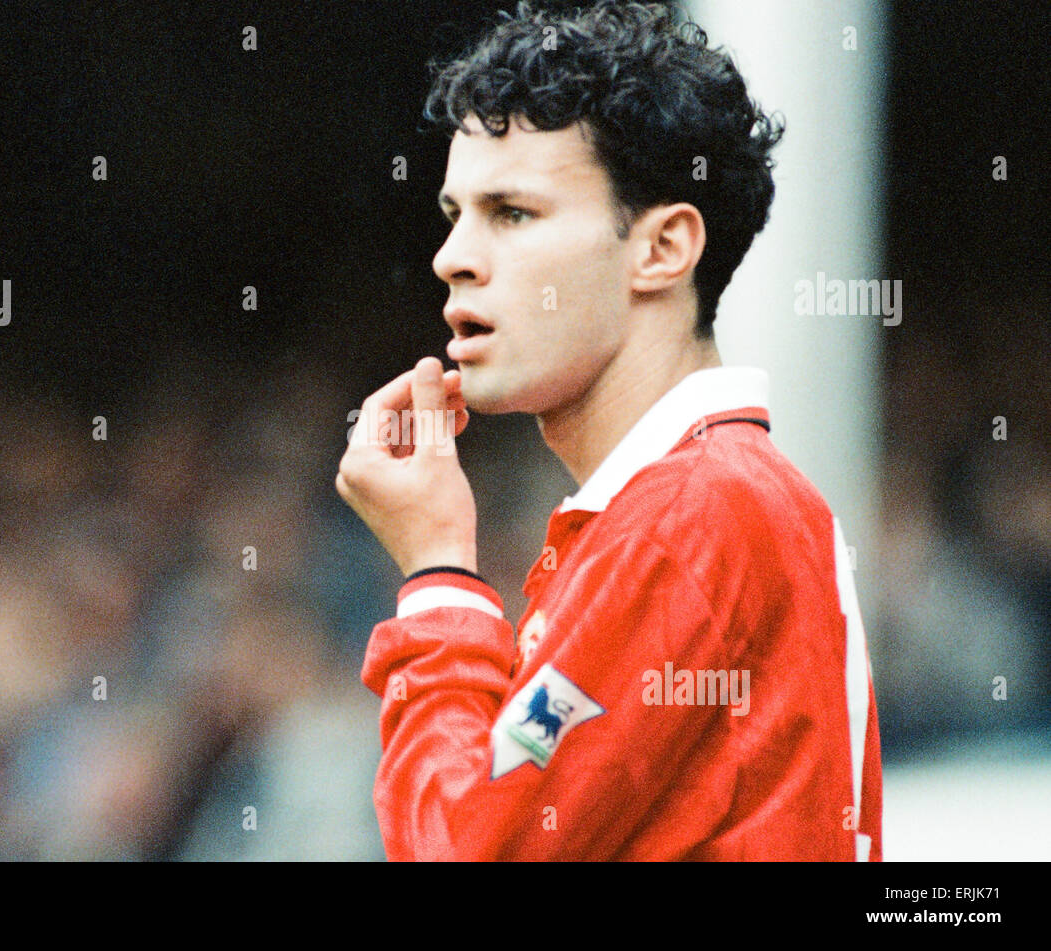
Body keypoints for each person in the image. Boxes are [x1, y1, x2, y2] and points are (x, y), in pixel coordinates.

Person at [335, 0, 882, 860]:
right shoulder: (700, 497)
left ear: (662, 249)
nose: (453, 256)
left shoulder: (690, 516)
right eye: (455, 213)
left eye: (512, 212)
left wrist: (438, 575)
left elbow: (465, 851)